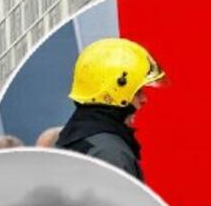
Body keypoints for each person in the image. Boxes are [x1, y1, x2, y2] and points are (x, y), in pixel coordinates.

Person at [56, 38, 166, 179]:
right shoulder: (110, 154)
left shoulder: (77, 138)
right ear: (116, 90)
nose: (144, 99)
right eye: (138, 91)